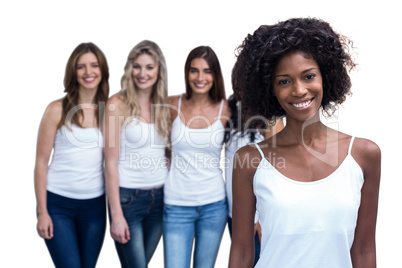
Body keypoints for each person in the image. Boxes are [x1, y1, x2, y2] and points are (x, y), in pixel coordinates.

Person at [228, 18, 381, 268]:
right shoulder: (250, 160)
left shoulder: (364, 155)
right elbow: (242, 253)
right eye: (284, 81)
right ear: (271, 90)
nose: (299, 90)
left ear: (326, 77)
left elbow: (364, 252)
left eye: (308, 76)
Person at [34, 42, 109, 268]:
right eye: (81, 67)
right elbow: (40, 162)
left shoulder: (110, 111)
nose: (88, 72)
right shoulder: (56, 109)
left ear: (102, 70)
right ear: (73, 72)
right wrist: (42, 211)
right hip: (58, 204)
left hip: (94, 207)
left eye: (94, 65)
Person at [104, 40, 170, 268]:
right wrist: (116, 215)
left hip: (160, 199)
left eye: (149, 67)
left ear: (159, 70)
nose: (143, 73)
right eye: (138, 66)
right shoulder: (117, 104)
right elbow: (109, 163)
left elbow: (168, 152)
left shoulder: (163, 105)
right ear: (130, 68)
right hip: (128, 200)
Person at [163, 46, 230, 268]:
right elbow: (159, 146)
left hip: (214, 205)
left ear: (215, 75)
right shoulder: (172, 104)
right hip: (176, 205)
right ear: (186, 73)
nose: (200, 77)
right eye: (194, 71)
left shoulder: (227, 109)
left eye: (207, 71)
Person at [223, 94, 284, 266]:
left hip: (257, 217)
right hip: (233, 212)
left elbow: (278, 170)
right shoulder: (231, 111)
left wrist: (260, 218)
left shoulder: (270, 117)